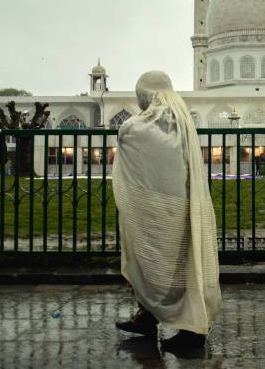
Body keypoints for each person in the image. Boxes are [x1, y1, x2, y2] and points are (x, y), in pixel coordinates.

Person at [112, 71, 222, 351]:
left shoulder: (147, 126)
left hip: (161, 209)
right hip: (173, 206)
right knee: (166, 262)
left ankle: (191, 331)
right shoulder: (180, 122)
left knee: (158, 263)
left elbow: (128, 134)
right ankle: (147, 317)